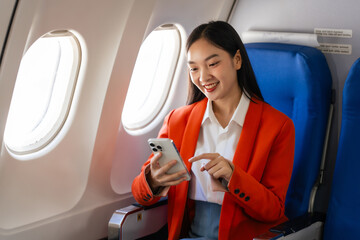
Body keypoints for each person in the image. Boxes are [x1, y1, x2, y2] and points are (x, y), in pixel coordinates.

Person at [132, 21, 295, 240]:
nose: (203, 77)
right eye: (194, 68)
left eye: (213, 64)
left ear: (237, 60)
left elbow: (273, 210)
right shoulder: (177, 120)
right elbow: (140, 194)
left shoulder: (278, 126)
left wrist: (234, 178)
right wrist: (154, 180)